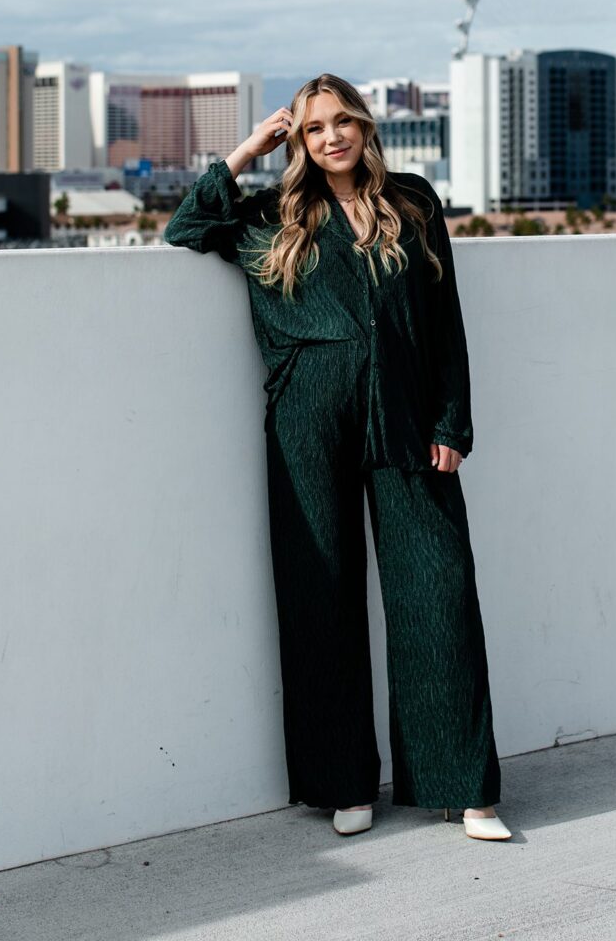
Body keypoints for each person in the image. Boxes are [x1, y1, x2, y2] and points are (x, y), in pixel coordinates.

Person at [163, 72, 510, 841]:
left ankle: (466, 787)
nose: (332, 138)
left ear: (364, 125)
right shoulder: (272, 212)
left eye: (343, 121)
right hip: (305, 417)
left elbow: (444, 319)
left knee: (437, 589)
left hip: (407, 412)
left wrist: (452, 421)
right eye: (314, 128)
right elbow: (185, 228)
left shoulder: (413, 201)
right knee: (320, 597)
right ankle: (343, 782)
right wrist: (250, 148)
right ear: (299, 140)